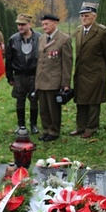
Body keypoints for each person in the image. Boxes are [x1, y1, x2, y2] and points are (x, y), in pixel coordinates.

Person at [70, 2, 106, 139]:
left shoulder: (101, 32)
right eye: (82, 16)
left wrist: (102, 67)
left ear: (94, 17)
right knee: (81, 101)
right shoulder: (78, 31)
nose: (84, 18)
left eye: (87, 16)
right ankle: (80, 126)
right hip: (81, 72)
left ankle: (91, 127)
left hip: (95, 72)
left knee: (93, 102)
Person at [35, 14, 73, 142]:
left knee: (53, 108)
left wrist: (65, 83)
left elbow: (67, 63)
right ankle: (46, 129)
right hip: (41, 79)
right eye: (43, 24)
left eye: (47, 24)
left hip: (54, 80)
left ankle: (54, 131)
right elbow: (40, 61)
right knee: (44, 108)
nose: (44, 27)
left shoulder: (64, 39)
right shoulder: (41, 39)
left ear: (55, 23)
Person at [6, 13, 42, 135]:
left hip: (34, 74)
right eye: (18, 25)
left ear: (29, 24)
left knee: (34, 99)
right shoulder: (13, 39)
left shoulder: (39, 37)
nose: (20, 27)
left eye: (23, 24)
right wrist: (9, 76)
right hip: (19, 75)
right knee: (20, 100)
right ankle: (21, 124)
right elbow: (9, 59)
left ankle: (33, 124)